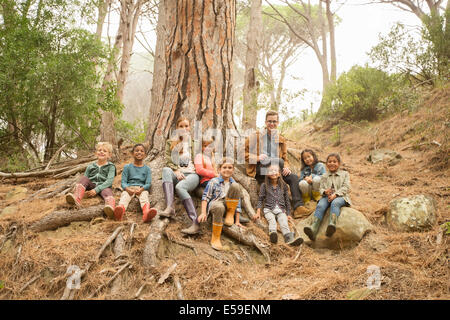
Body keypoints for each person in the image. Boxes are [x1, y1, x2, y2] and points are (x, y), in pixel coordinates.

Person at [244, 110, 311, 217]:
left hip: (276, 171)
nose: (272, 124)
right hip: (261, 170)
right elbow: (242, 153)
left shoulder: (281, 139)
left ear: (278, 123)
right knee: (279, 161)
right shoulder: (255, 136)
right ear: (265, 122)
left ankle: (298, 207)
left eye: (274, 121)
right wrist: (257, 158)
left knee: (293, 177)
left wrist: (286, 167)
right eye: (269, 121)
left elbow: (285, 158)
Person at [159, 117, 201, 235]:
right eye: (181, 126)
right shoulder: (170, 142)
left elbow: (201, 161)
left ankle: (195, 223)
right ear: (177, 128)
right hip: (176, 174)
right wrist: (176, 170)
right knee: (166, 170)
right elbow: (168, 159)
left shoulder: (195, 143)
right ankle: (170, 208)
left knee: (180, 188)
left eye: (186, 126)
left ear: (189, 127)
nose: (184, 128)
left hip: (191, 175)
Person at [197, 158, 245, 251]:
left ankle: (230, 215)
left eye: (230, 167)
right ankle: (215, 237)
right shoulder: (213, 182)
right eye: (224, 167)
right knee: (219, 206)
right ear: (219, 170)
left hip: (229, 206)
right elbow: (205, 198)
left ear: (233, 170)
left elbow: (237, 203)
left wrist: (237, 220)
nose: (227, 169)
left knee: (236, 186)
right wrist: (203, 213)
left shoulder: (233, 183)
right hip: (216, 204)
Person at [304, 153, 352, 241]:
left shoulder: (344, 174)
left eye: (335, 161)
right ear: (326, 164)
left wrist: (336, 194)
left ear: (339, 163)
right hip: (326, 197)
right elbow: (321, 188)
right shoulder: (324, 176)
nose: (332, 163)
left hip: (340, 196)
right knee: (320, 205)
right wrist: (325, 192)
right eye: (329, 161)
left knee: (335, 203)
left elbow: (347, 187)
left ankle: (332, 224)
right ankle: (313, 227)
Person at [254, 165, 303, 246]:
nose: (273, 172)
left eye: (275, 170)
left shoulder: (283, 186)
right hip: (269, 209)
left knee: (284, 222)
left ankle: (289, 239)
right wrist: (258, 212)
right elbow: (260, 199)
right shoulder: (264, 185)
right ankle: (273, 234)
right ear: (267, 174)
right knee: (272, 221)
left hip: (281, 210)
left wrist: (288, 214)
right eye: (270, 171)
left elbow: (287, 201)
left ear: (280, 173)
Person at [66, 142, 116, 218]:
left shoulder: (111, 166)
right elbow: (85, 179)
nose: (101, 152)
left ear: (109, 155)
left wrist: (96, 190)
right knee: (84, 178)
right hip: (91, 185)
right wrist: (87, 189)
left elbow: (109, 181)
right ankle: (76, 197)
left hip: (103, 186)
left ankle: (110, 208)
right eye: (99, 150)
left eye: (104, 151)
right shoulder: (91, 166)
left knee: (107, 191)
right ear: (96, 153)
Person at [114, 143, 157, 223]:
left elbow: (148, 183)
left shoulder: (147, 169)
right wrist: (127, 189)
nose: (139, 152)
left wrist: (142, 189)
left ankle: (146, 213)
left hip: (141, 188)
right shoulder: (127, 167)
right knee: (124, 196)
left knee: (144, 197)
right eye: (137, 151)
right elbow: (123, 182)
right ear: (132, 153)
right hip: (129, 188)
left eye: (142, 151)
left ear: (145, 154)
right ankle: (120, 211)